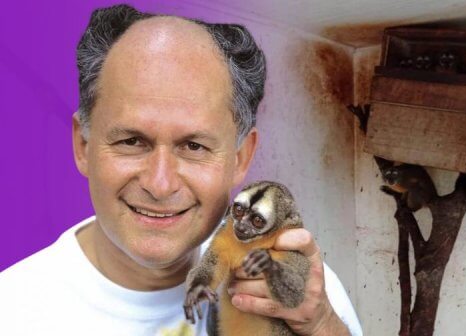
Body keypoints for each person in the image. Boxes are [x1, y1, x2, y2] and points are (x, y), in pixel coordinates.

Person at [0, 4, 362, 336]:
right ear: (83, 146)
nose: (160, 184)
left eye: (194, 146)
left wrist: (323, 325)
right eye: (131, 141)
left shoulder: (304, 292)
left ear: (240, 158)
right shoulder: (13, 311)